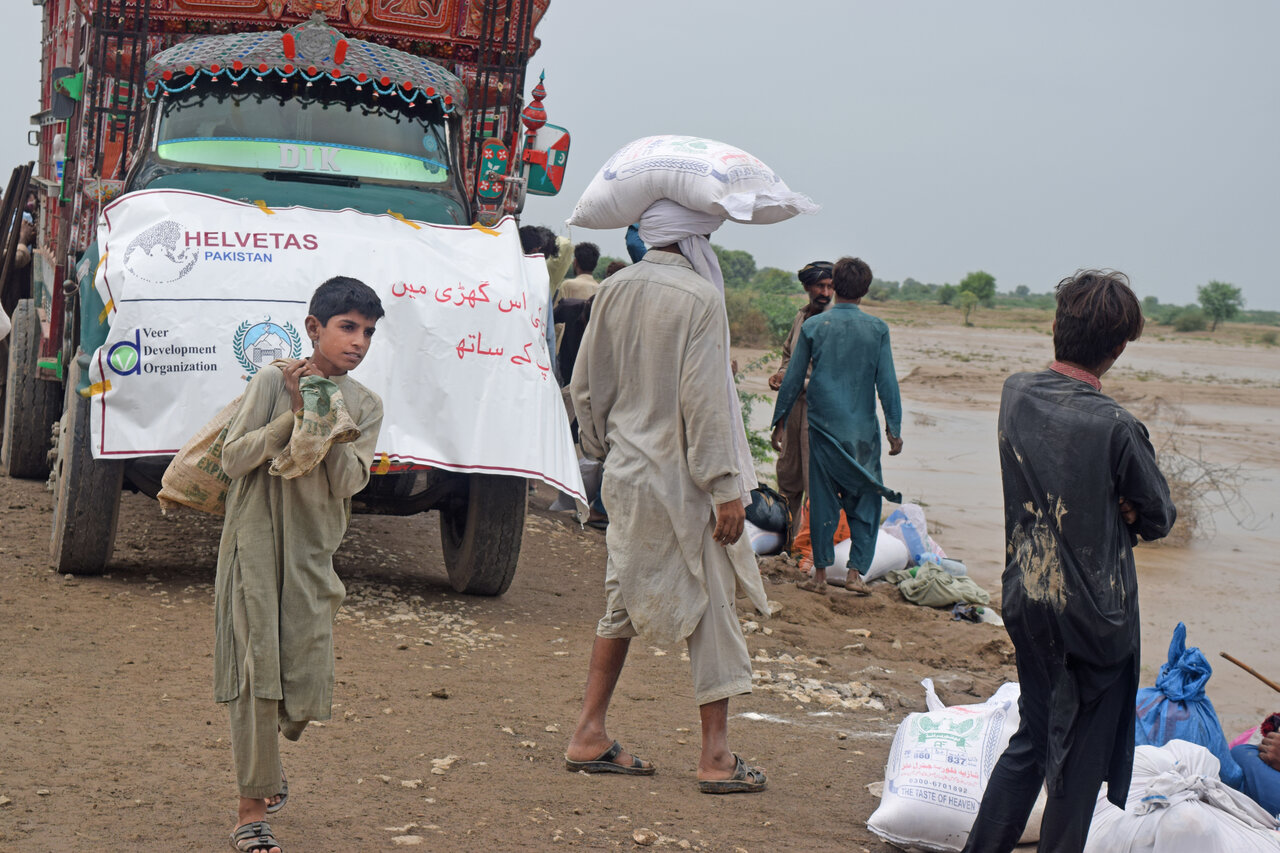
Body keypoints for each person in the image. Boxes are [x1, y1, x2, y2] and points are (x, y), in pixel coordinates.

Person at [962, 270, 1176, 853]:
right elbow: (1158, 517)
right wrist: (1124, 506)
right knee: (1077, 770)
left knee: (1034, 735)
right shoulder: (1117, 427)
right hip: (1096, 623)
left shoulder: (1015, 392)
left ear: (1055, 326)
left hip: (1028, 599)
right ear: (1120, 347)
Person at [565, 199, 770, 795]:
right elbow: (705, 403)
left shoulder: (613, 289)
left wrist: (606, 449)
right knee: (712, 609)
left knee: (622, 598)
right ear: (695, 240)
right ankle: (715, 758)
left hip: (627, 475)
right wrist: (727, 488)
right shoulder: (701, 299)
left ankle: (588, 734)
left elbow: (585, 387)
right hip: (684, 484)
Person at [214, 277, 384, 853]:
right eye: (347, 327)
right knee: (257, 675)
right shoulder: (269, 380)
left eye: (368, 332)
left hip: (313, 551)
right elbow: (234, 460)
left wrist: (328, 418)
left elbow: (345, 482)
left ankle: (270, 761)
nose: (358, 342)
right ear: (314, 328)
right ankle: (251, 811)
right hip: (254, 544)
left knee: (303, 683)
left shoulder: (365, 404)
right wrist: (290, 413)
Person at [770, 257, 903, 595]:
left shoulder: (815, 328)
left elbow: (792, 379)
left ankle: (819, 575)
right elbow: (887, 384)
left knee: (824, 500)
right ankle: (856, 574)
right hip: (863, 435)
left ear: (835, 287)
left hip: (822, 430)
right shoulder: (878, 330)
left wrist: (779, 421)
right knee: (866, 501)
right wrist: (894, 429)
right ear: (866, 290)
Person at [767, 261, 834, 539]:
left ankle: (816, 551)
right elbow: (787, 355)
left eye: (830, 286)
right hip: (793, 408)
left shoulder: (833, 323)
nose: (826, 292)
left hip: (819, 413)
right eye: (820, 285)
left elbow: (833, 375)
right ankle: (787, 543)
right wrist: (782, 374)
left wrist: (795, 382)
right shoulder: (802, 316)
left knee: (816, 483)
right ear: (807, 287)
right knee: (788, 478)